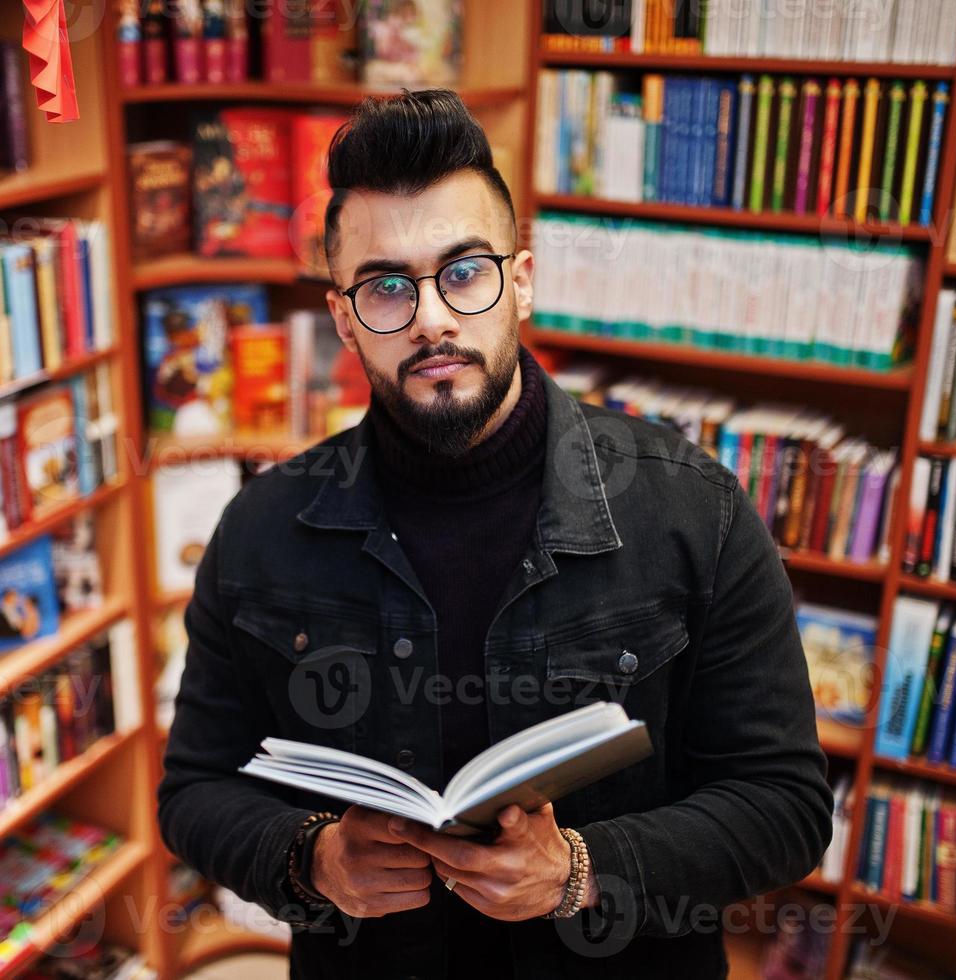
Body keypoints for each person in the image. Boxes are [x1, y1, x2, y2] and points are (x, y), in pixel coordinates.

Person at [158, 89, 833, 979]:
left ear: (518, 280)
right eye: (386, 286)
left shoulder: (690, 508)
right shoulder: (263, 525)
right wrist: (311, 858)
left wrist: (580, 872)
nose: (433, 316)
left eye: (463, 271)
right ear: (343, 318)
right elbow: (196, 790)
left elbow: (784, 807)